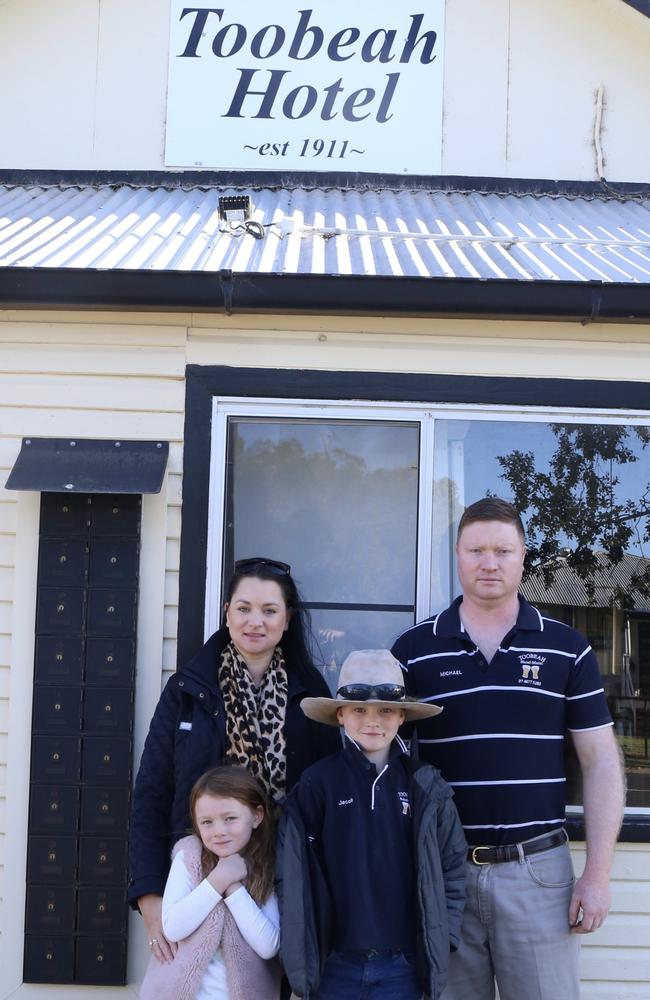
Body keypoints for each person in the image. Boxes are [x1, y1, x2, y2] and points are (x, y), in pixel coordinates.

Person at [391, 497, 626, 1000]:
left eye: (503, 550)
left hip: (538, 874)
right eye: (476, 550)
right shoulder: (413, 651)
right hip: (443, 873)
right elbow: (381, 764)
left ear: (523, 558)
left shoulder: (567, 648)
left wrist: (598, 875)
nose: (489, 563)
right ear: (456, 555)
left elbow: (601, 762)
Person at [129, 557, 340, 964]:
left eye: (269, 610)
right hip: (195, 875)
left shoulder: (311, 694)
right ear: (226, 612)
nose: (254, 621)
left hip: (280, 878)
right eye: (243, 608)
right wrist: (149, 893)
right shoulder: (188, 690)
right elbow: (153, 791)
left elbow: (328, 796)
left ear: (288, 618)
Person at [277, 649, 467, 1000]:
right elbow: (291, 873)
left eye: (386, 710)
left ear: (401, 717)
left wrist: (444, 936)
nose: (372, 721)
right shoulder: (317, 784)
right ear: (340, 715)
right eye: (359, 710)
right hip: (334, 965)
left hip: (404, 967)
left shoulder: (425, 786)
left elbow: (453, 869)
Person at [139, 766, 280, 1000]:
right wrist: (218, 880)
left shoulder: (266, 865)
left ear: (256, 816)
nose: (219, 831)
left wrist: (234, 888)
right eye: (207, 822)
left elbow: (268, 946)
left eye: (230, 818)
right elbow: (173, 927)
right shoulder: (189, 855)